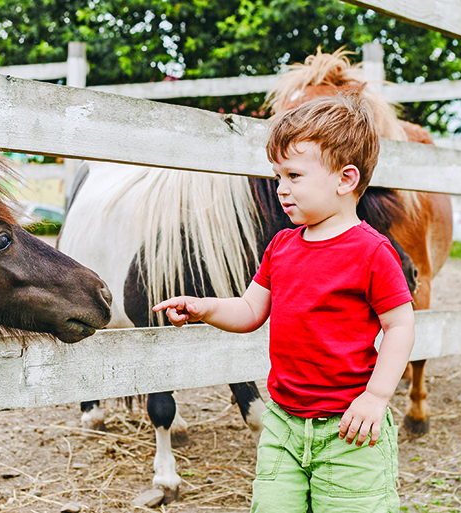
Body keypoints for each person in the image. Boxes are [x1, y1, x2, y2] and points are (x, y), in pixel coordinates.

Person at [153, 92, 414, 513]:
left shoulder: (372, 252)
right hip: (284, 424)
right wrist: (206, 308)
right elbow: (250, 310)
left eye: (294, 176)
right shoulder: (282, 246)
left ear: (345, 180)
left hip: (350, 428)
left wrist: (376, 397)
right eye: (278, 177)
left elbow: (400, 327)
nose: (281, 190)